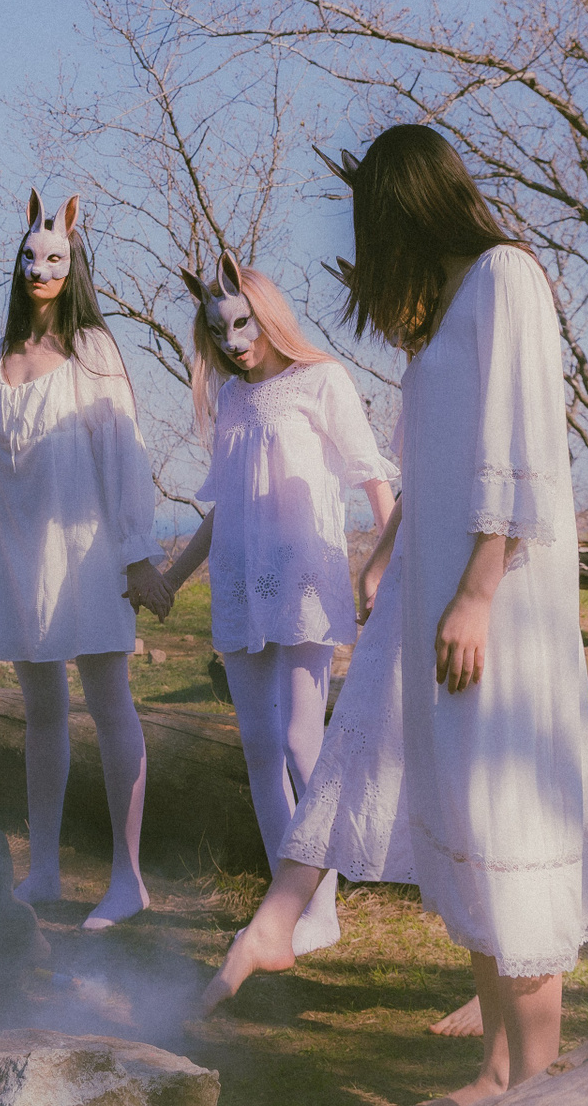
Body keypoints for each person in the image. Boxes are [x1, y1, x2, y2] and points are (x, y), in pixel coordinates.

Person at [228, 125, 588, 1106]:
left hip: (500, 604)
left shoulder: (506, 276)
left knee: (510, 813)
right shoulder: (448, 308)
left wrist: (478, 593)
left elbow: (523, 447)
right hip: (442, 595)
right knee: (468, 816)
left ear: (406, 205)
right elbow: (428, 469)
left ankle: (532, 1079)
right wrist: (398, 568)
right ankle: (500, 1067)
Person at [0, 191, 172, 929]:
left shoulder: (94, 351)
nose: (40, 271)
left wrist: (137, 554)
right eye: (30, 259)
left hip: (88, 556)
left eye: (54, 259)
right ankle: (44, 872)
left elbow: (124, 454)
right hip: (16, 557)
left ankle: (129, 880)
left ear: (72, 263)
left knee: (109, 703)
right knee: (41, 711)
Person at [160, 251, 397, 961]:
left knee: (301, 741)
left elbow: (372, 477)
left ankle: (323, 909)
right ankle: (282, 910)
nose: (232, 342)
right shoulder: (232, 400)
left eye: (242, 325)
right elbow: (222, 508)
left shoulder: (321, 380)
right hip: (239, 583)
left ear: (267, 316)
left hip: (303, 581)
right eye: (218, 330)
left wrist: (390, 561)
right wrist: (172, 578)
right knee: (260, 747)